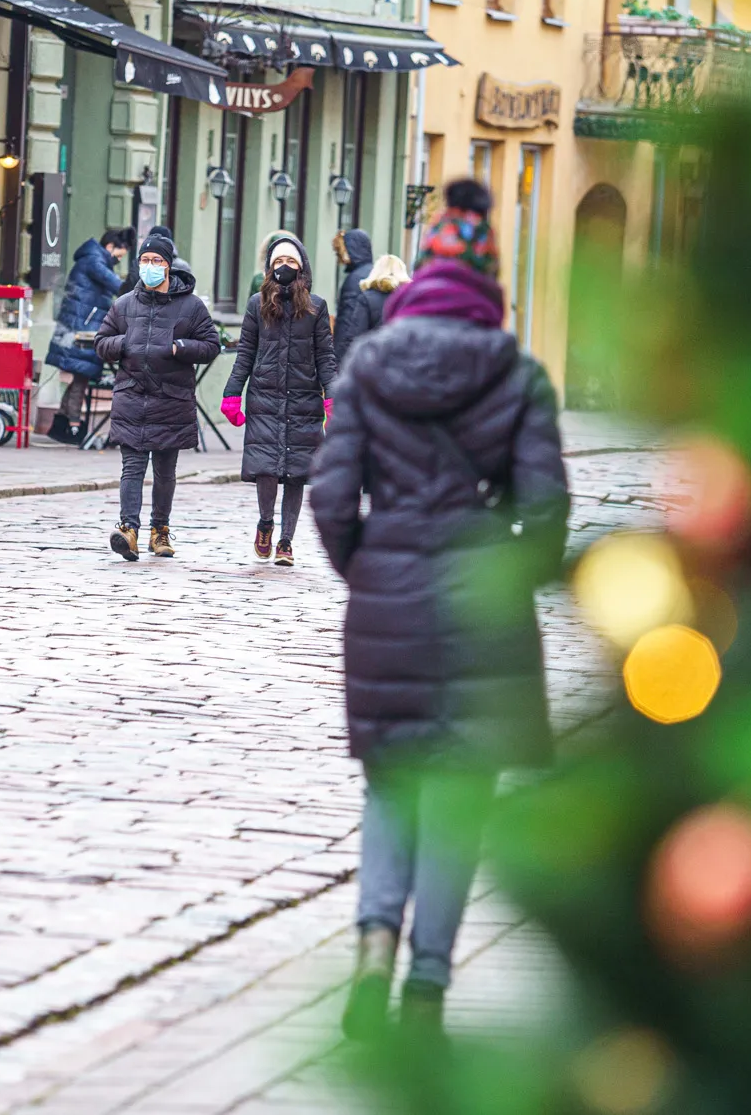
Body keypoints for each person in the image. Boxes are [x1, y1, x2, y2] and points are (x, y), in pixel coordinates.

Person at [309, 177, 569, 1040]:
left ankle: (375, 939)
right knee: (458, 796)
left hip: (387, 597)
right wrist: (509, 570)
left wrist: (367, 568)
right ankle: (425, 986)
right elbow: (550, 507)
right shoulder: (519, 373)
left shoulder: (370, 365)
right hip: (481, 604)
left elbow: (331, 493)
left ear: (421, 276)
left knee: (390, 784)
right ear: (491, 282)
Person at [92, 231, 221, 560]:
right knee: (132, 468)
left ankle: (159, 531)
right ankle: (128, 529)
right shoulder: (124, 305)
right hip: (132, 395)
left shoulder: (191, 307)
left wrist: (182, 348)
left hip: (171, 399)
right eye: (145, 260)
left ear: (168, 266)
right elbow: (101, 341)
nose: (150, 266)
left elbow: (211, 345)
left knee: (165, 471)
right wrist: (122, 343)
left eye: (157, 261)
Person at [220, 236, 337, 566]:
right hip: (265, 397)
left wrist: (333, 399)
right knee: (266, 469)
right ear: (270, 269)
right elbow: (245, 353)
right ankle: (266, 524)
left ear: (301, 267)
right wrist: (231, 393)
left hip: (303, 398)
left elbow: (325, 356)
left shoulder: (316, 307)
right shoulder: (257, 305)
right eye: (278, 263)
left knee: (298, 472)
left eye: (291, 262)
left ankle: (286, 541)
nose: (284, 268)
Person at [47, 227, 133, 443]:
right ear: (110, 247)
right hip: (82, 329)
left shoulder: (93, 258)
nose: (118, 260)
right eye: (119, 255)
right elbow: (118, 286)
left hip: (79, 325)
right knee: (81, 377)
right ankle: (73, 427)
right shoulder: (94, 261)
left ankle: (61, 422)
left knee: (80, 376)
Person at [331, 227, 378, 366]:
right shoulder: (374, 273)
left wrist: (337, 361)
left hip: (354, 355)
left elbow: (347, 323)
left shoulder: (354, 279)